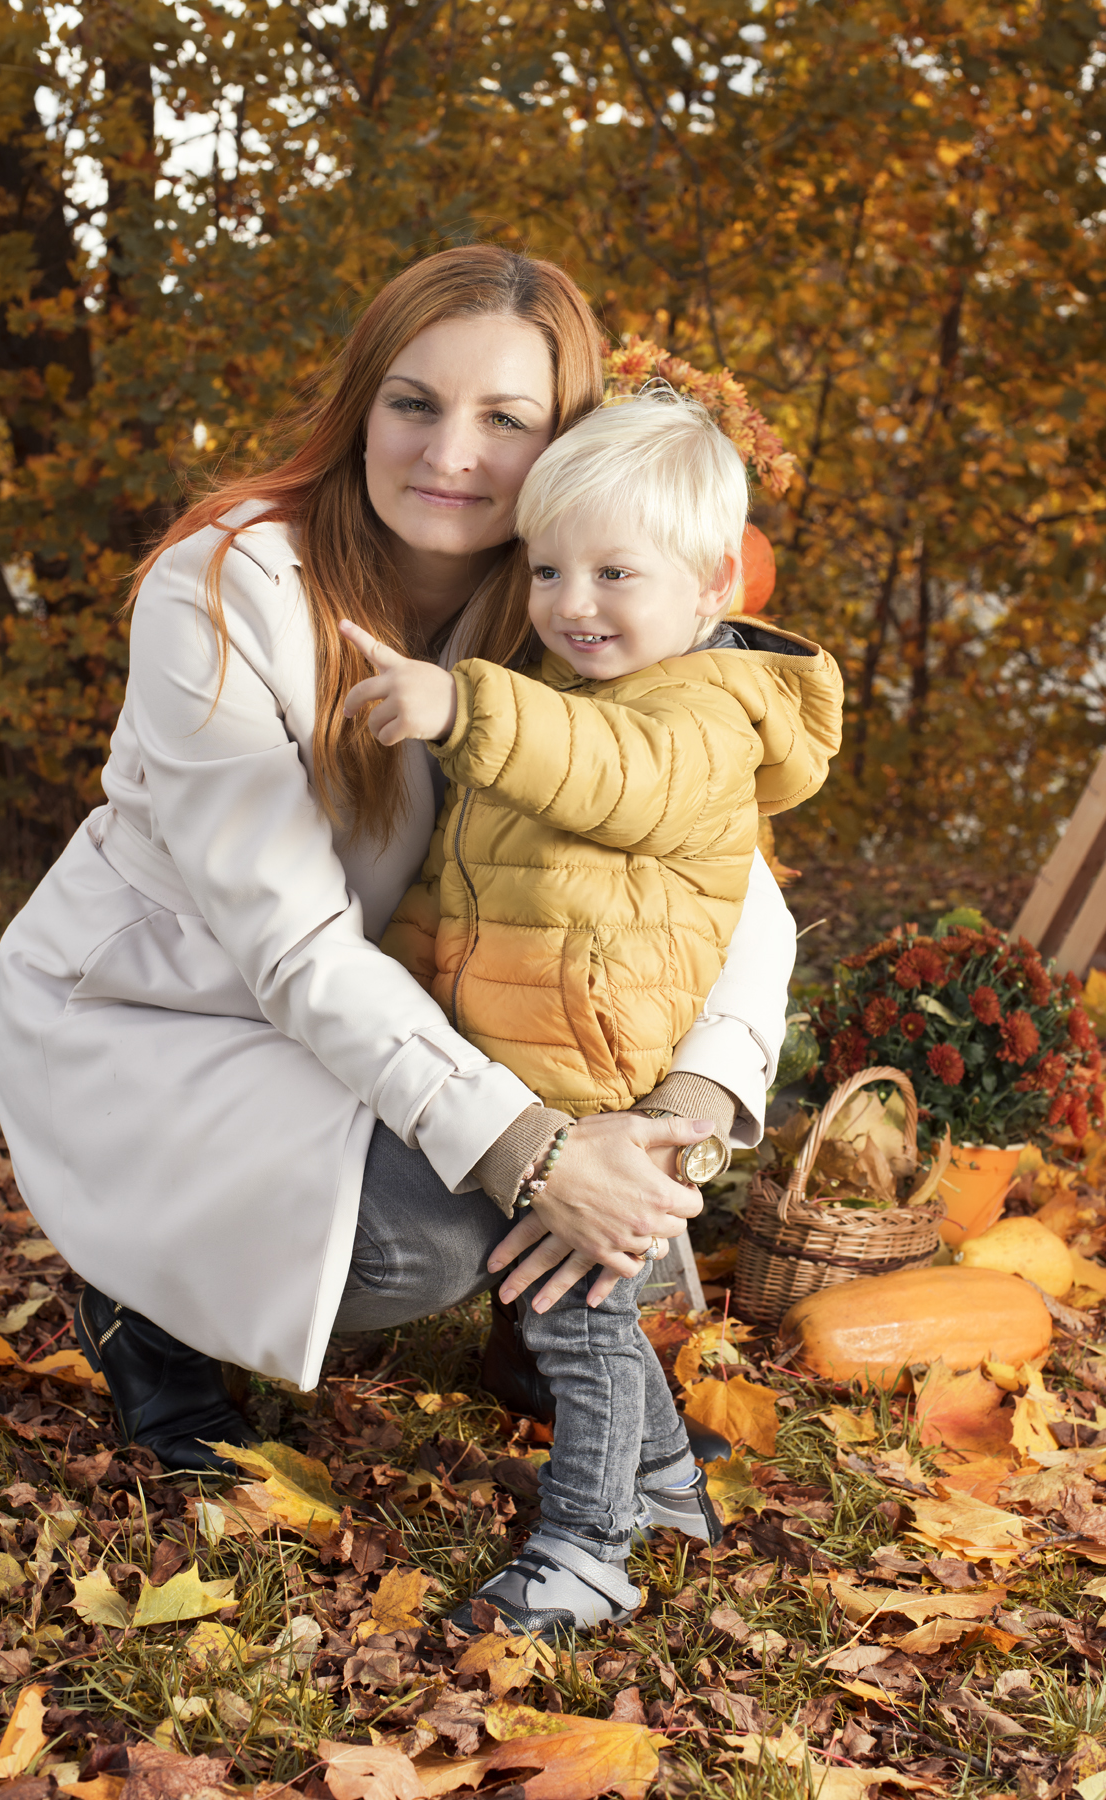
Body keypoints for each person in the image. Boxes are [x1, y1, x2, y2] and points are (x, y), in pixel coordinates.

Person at [0, 245, 797, 1493]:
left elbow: (723, 876)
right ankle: (144, 1305)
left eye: (506, 419)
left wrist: (676, 1119)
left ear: (564, 444)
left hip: (404, 1002)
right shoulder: (226, 588)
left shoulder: (579, 598)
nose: (450, 454)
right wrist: (535, 1154)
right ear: (363, 403)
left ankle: (552, 1322)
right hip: (175, 1015)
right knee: (439, 1229)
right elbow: (294, 949)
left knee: (593, 1069)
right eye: (414, 402)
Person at [340, 393, 842, 1637]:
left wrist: (464, 707)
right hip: (525, 1064)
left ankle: (587, 1550)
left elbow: (623, 782)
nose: (574, 602)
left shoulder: (700, 715)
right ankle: (670, 1485)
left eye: (616, 571)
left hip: (594, 1077)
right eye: (551, 568)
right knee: (572, 1302)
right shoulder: (571, 696)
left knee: (575, 1321)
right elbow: (468, 888)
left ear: (714, 579)